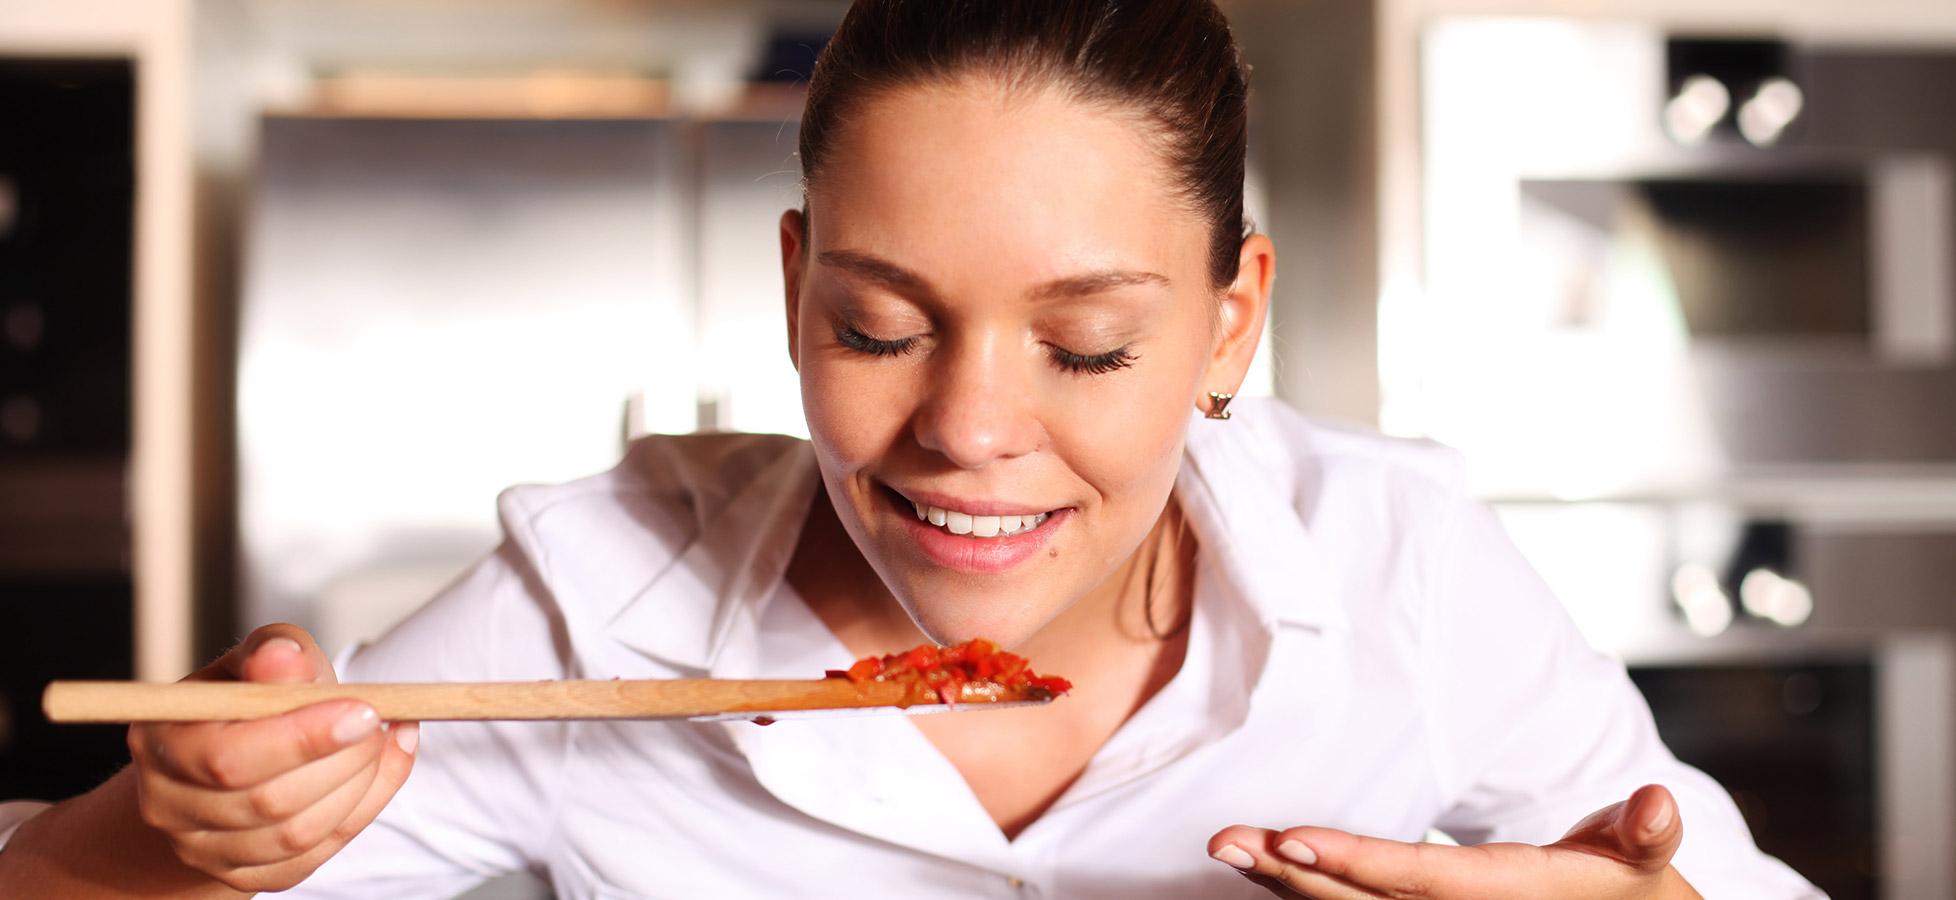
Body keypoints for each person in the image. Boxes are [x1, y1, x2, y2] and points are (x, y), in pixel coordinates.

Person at [0, 1, 1825, 897]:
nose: (963, 431)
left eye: (1089, 344)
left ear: (1234, 317)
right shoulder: (595, 609)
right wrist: (180, 834)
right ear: (792, 285)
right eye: (876, 327)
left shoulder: (1406, 564)